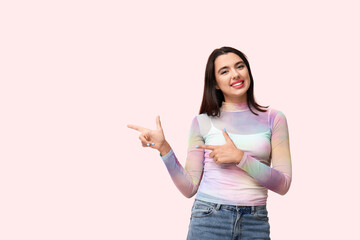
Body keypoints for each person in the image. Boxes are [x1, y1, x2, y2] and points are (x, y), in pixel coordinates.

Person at [127, 46, 292, 240]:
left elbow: (283, 184)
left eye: (240, 66)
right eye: (225, 71)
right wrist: (164, 148)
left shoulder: (274, 118)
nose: (235, 74)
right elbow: (189, 188)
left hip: (255, 223)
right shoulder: (202, 122)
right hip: (209, 219)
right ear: (215, 83)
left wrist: (240, 157)